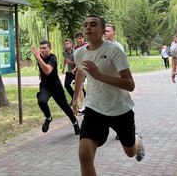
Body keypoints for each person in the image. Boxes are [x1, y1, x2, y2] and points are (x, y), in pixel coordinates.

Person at [73, 14, 145, 175]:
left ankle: (137, 142)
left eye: (93, 25)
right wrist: (75, 99)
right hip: (94, 108)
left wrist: (99, 76)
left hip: (120, 109)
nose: (88, 28)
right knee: (84, 155)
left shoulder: (114, 50)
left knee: (130, 151)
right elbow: (80, 73)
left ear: (102, 30)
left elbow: (130, 84)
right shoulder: (79, 53)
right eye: (85, 25)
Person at [32, 40, 81, 135]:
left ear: (50, 48)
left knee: (66, 107)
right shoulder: (40, 57)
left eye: (44, 48)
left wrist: (38, 57)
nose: (42, 50)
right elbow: (42, 68)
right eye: (41, 48)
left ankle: (75, 123)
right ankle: (48, 117)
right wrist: (39, 71)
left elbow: (47, 70)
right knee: (41, 101)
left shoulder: (53, 58)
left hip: (56, 87)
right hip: (45, 86)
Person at [62, 39, 76, 106]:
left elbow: (79, 63)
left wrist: (71, 62)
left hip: (76, 72)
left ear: (71, 44)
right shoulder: (64, 53)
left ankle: (84, 99)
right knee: (66, 85)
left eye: (67, 43)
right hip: (69, 71)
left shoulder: (75, 52)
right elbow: (65, 59)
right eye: (65, 44)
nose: (66, 45)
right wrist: (64, 68)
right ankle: (73, 97)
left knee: (80, 87)